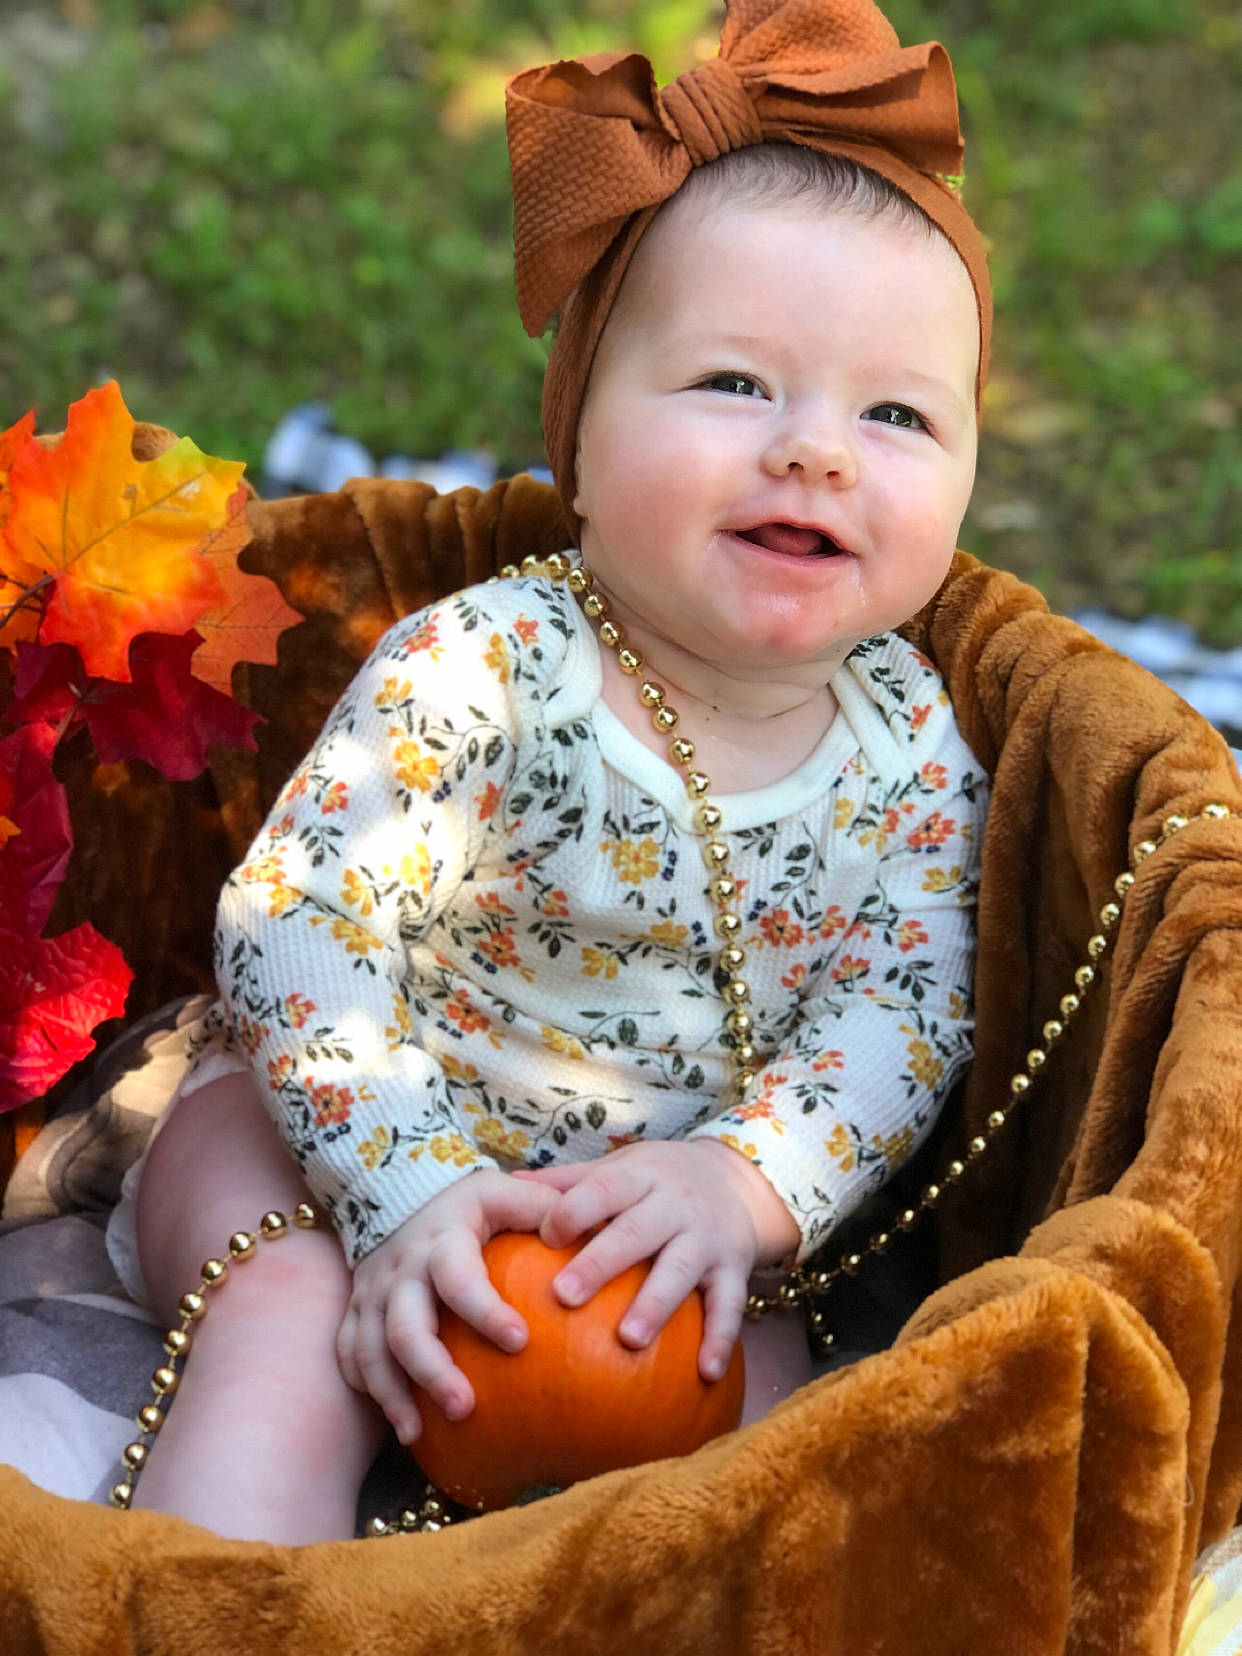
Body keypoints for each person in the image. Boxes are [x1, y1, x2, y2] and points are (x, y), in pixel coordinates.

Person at [111, 0, 990, 1543]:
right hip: (333, 1141)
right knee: (287, 1332)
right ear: (578, 439)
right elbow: (299, 929)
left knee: (769, 1426)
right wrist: (409, 1197)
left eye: (897, 413)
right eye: (732, 384)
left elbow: (901, 1011)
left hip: (656, 1229)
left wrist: (748, 1182)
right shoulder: (490, 671)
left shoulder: (913, 740)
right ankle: (204, 1602)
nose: (816, 451)